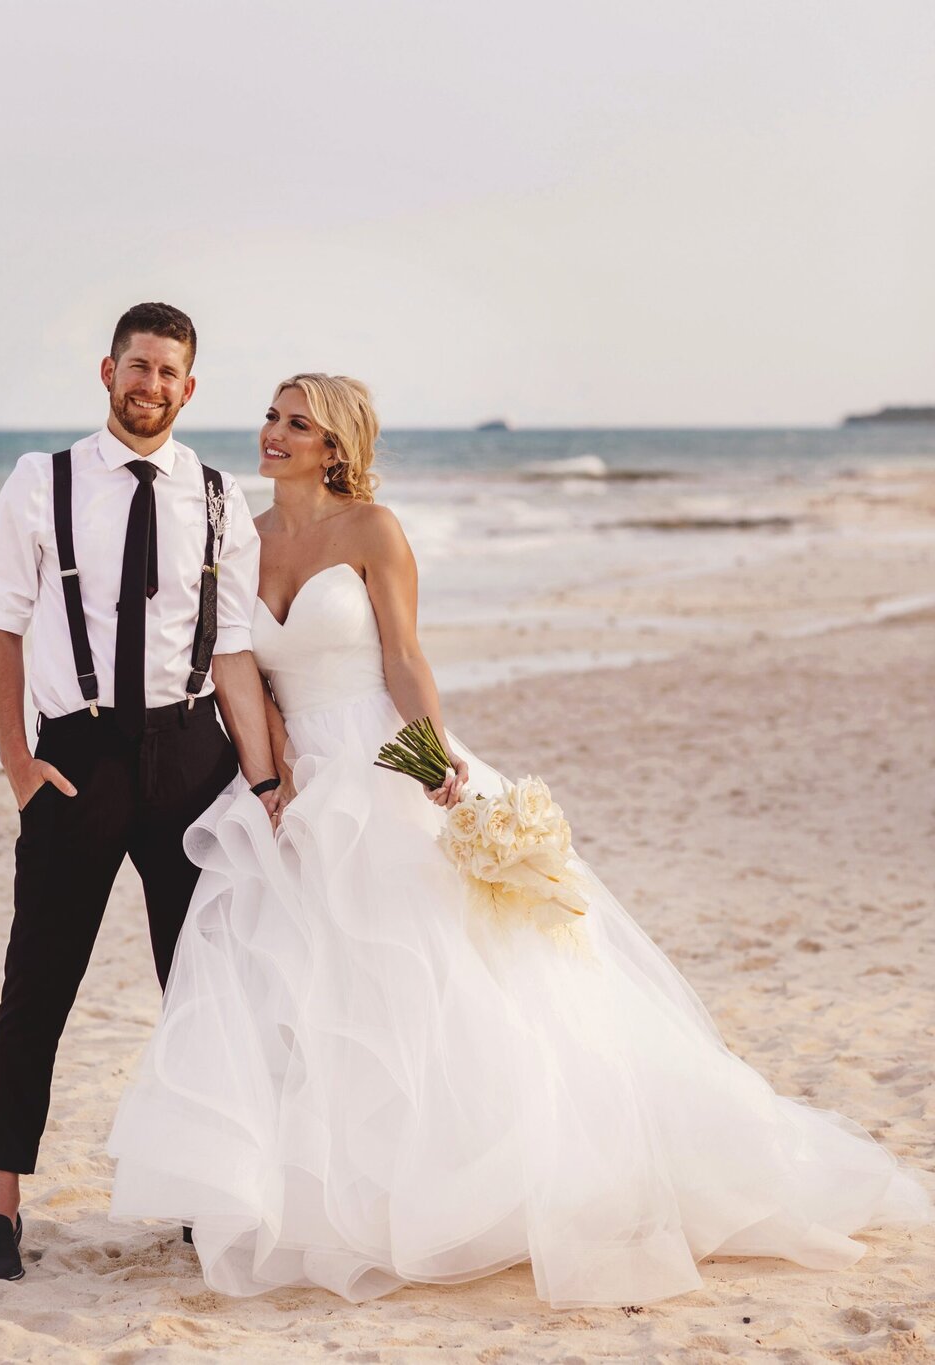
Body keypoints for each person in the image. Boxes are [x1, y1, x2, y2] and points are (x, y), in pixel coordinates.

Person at [106, 372, 932, 1307]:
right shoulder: (241, 534)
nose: (275, 434)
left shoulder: (374, 531)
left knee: (444, 980)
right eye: (271, 416)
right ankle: (323, 1198)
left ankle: (482, 1187)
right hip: (295, 787)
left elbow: (404, 657)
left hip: (385, 761)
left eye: (298, 423)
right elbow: (234, 666)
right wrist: (269, 773)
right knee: (300, 985)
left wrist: (434, 764)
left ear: (336, 446)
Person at [0, 303, 282, 1284]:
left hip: (191, 758)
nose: (151, 386)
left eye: (169, 373)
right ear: (109, 372)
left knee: (198, 987)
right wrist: (18, 763)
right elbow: (1, 625)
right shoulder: (40, 482)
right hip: (79, 758)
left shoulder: (221, 497)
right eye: (137, 367)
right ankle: (0, 1202)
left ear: (190, 389)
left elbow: (231, 652)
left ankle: (203, 1192)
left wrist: (262, 774)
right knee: (39, 981)